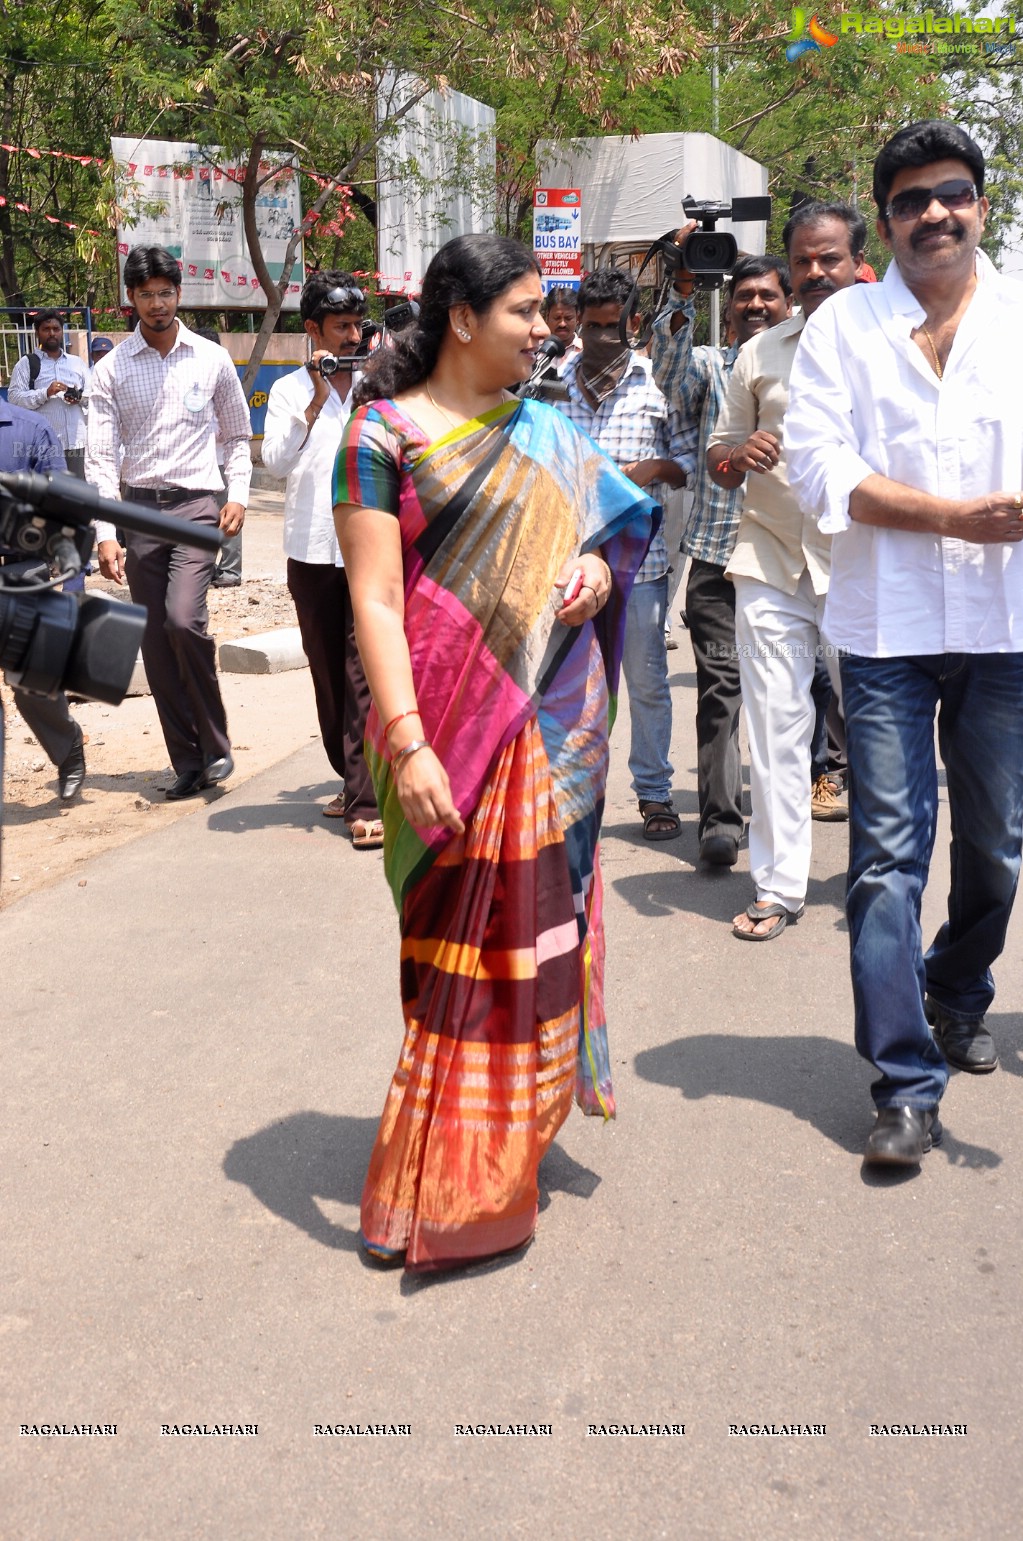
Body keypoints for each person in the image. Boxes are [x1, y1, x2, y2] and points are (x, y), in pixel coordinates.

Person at [333, 233, 656, 1271]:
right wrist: (409, 741)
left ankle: (508, 1136)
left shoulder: (551, 431)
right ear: (463, 318)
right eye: (523, 309)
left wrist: (600, 578)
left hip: (559, 711)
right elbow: (375, 600)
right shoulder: (380, 435)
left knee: (545, 921)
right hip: (441, 719)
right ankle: (450, 1156)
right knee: (454, 940)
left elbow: (608, 535)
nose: (542, 327)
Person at [785, 120, 1023, 1166]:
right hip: (884, 632)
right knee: (885, 858)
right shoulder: (843, 326)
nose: (935, 212)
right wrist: (948, 517)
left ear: (983, 205)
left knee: (998, 847)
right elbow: (814, 466)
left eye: (954, 193)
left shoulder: (1020, 316)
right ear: (885, 218)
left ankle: (958, 987)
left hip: (1005, 629)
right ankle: (904, 1080)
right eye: (912, 198)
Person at [706, 202, 865, 940]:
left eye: (827, 258)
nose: (813, 273)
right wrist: (740, 455)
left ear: (860, 259)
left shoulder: (896, 341)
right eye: (801, 260)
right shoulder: (760, 352)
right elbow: (718, 458)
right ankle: (777, 885)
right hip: (769, 559)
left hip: (864, 565)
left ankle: (876, 878)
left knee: (875, 730)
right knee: (774, 727)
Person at [87, 244, 251, 800]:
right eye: (145, 294)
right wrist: (106, 534)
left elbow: (235, 435)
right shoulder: (109, 371)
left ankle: (216, 745)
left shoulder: (211, 358)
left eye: (165, 292)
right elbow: (101, 458)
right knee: (157, 642)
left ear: (179, 295)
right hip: (137, 510)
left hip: (198, 505)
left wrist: (239, 496)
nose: (157, 303)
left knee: (184, 621)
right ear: (130, 299)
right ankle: (187, 761)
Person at [651, 246, 792, 866]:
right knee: (720, 689)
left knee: (789, 693)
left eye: (768, 296)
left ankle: (785, 815)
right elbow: (668, 373)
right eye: (744, 296)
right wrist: (681, 284)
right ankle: (720, 823)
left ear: (788, 304)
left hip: (790, 561)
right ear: (728, 307)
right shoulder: (711, 367)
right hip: (716, 558)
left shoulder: (811, 365)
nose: (757, 306)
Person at [556, 266, 694, 839]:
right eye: (592, 327)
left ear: (633, 323)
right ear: (578, 325)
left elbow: (688, 465)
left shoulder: (656, 383)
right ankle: (566, 792)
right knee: (567, 684)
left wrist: (652, 471)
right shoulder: (550, 382)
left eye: (614, 327)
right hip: (565, 566)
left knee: (646, 683)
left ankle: (655, 794)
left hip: (643, 567)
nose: (603, 339)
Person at [262, 272, 383, 844]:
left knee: (365, 674)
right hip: (310, 551)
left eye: (358, 325)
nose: (354, 337)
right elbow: (278, 462)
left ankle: (366, 800)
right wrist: (315, 398)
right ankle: (349, 775)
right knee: (329, 676)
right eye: (342, 327)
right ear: (313, 331)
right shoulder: (288, 391)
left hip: (369, 549)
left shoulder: (378, 385)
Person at [0, 395, 86, 800]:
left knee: (31, 680)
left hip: (21, 573)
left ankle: (68, 746)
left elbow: (63, 503)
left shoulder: (31, 429)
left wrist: (71, 578)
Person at [8, 310, 88, 479]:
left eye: (56, 328)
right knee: (49, 499)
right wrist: (45, 393)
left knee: (78, 498)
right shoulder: (27, 364)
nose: (52, 333)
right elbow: (14, 399)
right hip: (44, 445)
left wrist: (78, 397)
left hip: (77, 444)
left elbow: (96, 396)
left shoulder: (77, 363)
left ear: (62, 331)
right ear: (37, 332)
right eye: (46, 329)